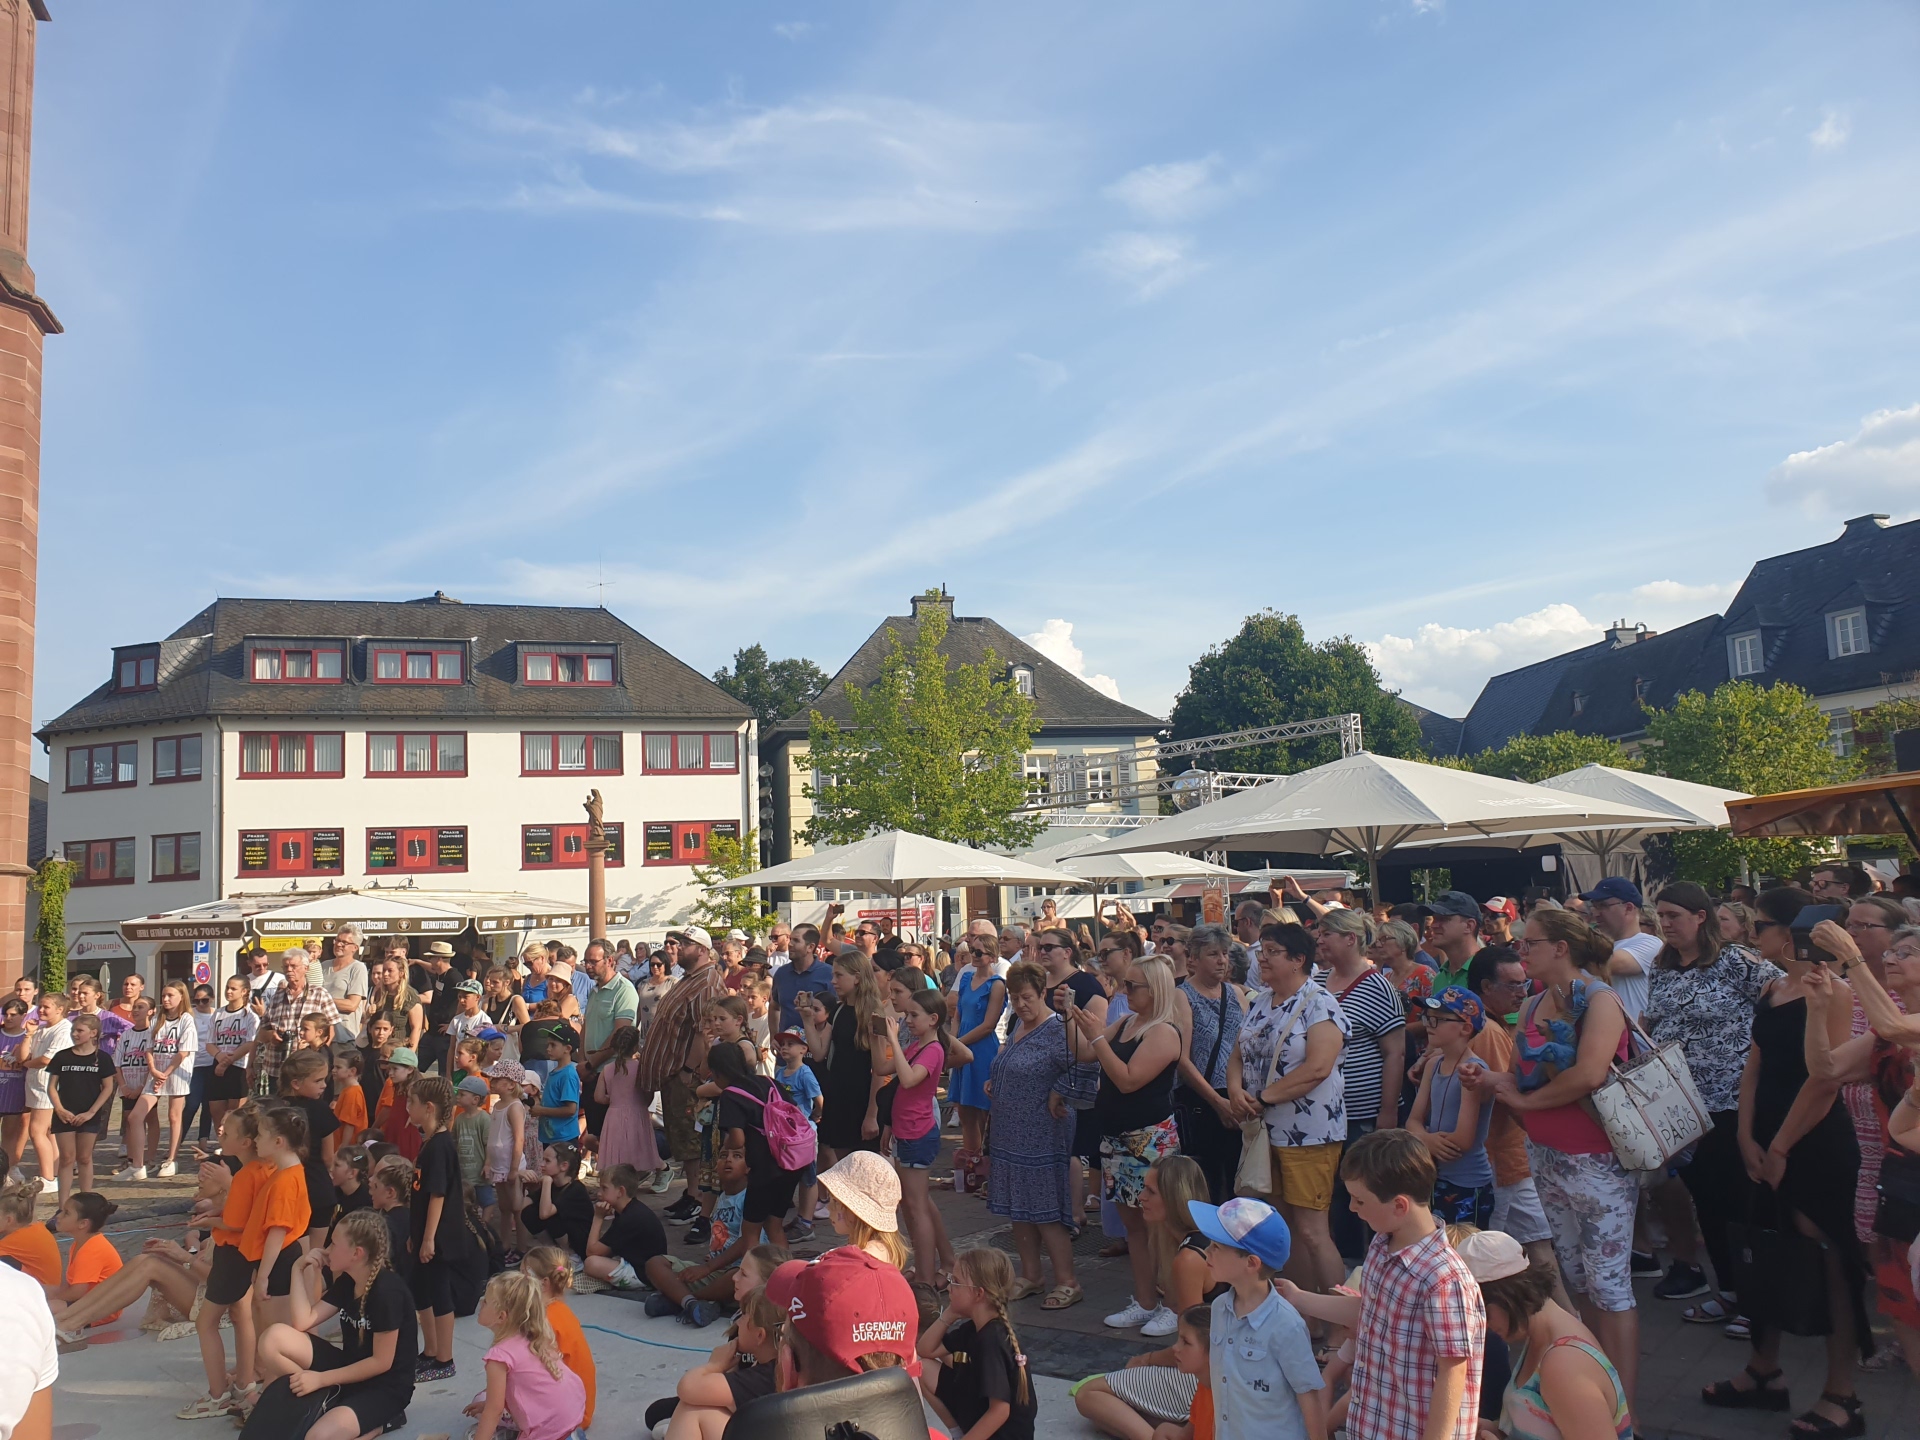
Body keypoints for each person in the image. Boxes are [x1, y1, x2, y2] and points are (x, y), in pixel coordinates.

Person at [1465, 907, 1638, 1413]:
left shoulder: (1600, 999)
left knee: (1610, 1285)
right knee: (1579, 1278)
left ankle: (1623, 1406)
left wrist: (1520, 1102)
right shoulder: (1539, 1002)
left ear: (1560, 948)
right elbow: (1521, 1076)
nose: (1521, 951)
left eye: (1530, 943)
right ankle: (1592, 1383)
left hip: (1596, 1159)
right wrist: (1491, 1080)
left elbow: (1588, 1074)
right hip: (1546, 1153)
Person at [1639, 881, 1779, 1322]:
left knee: (1738, 1200)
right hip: (1680, 1105)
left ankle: (1760, 1300)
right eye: (1660, 916)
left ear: (1701, 916)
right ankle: (1731, 1289)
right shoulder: (1661, 966)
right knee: (1707, 1201)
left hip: (1731, 1099)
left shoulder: (1735, 961)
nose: (1666, 924)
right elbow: (1652, 1019)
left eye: (1674, 915)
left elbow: (1783, 996)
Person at [1287, 1130, 1485, 1440]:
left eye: (1360, 1200)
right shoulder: (1382, 1244)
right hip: (1375, 1422)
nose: (1352, 1208)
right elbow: (1369, 1309)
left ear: (1399, 1206)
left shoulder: (1443, 1278)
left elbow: (1453, 1372)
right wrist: (1298, 1298)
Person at [1803, 917, 1920, 1371]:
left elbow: (1892, 1025)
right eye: (1891, 952)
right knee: (1905, 1308)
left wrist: (1850, 958)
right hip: (1898, 1182)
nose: (1890, 957)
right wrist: (1816, 1010)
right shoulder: (1885, 1029)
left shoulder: (1894, 1026)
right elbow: (1826, 1069)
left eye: (1905, 953)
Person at [1228, 923, 1349, 1299]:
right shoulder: (1262, 1000)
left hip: (1309, 1133)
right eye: (1261, 950)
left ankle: (1338, 1325)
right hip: (1265, 1131)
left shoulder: (1320, 1003)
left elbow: (1318, 1067)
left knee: (1313, 1230)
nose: (1261, 958)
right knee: (1283, 1226)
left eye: (1272, 951)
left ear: (1298, 960)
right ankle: (1304, 1313)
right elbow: (1237, 1053)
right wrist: (1235, 1090)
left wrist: (1263, 1097)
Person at [1069, 953, 1183, 1332]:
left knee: (1160, 1226)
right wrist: (1074, 1019)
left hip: (1148, 1140)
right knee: (1134, 1225)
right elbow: (1086, 1054)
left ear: (1156, 990)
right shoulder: (1129, 1022)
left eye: (1133, 986)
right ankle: (1146, 1300)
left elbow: (1128, 1079)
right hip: (1118, 1138)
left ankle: (1173, 1302)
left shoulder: (1163, 1031)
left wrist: (1098, 1037)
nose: (1124, 990)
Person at [249, 1208, 416, 1440]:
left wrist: (320, 1379)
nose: (326, 1249)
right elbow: (303, 1321)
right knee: (272, 1339)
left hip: (385, 1388)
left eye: (334, 1244)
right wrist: (298, 1269)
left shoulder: (388, 1292)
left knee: (317, 1437)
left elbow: (381, 1363)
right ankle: (321, 1397)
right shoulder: (350, 1280)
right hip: (348, 1369)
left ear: (356, 1253)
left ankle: (384, 1421)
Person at [1457, 1229, 1631, 1440]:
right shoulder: (1542, 1336)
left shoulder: (1564, 1364)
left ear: (1507, 1297)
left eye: (1480, 1311)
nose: (1478, 1325)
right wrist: (1498, 1429)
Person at [1460, 948, 1561, 1292]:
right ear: (1486, 987)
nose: (1523, 992)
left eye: (1526, 983)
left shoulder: (1493, 1023)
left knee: (1537, 1247)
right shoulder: (1487, 1030)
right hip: (1500, 1161)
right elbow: (1507, 1092)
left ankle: (1566, 1322)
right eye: (1513, 985)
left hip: (1511, 1159)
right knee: (1493, 1256)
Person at [1186, 1196, 1325, 1440]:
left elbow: (1308, 1394)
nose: (1206, 1251)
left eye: (1216, 1247)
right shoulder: (1219, 1308)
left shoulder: (1286, 1324)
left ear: (1251, 1263)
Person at [1313, 908, 1406, 1262]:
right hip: (1322, 1111)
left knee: (1363, 1191)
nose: (1319, 941)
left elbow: (1394, 1053)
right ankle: (1348, 1262)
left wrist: (1387, 1111)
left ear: (1350, 939)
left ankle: (1371, 1263)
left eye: (1327, 934)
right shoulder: (1318, 982)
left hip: (1361, 1112)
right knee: (1334, 1193)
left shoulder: (1379, 987)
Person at [987, 961, 1081, 1309]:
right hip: (1010, 1132)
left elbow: (1081, 1066)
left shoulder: (1058, 1028)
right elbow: (1014, 1062)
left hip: (1042, 1132)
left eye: (1027, 997)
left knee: (1046, 1212)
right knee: (1020, 1209)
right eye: (1015, 997)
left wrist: (1059, 1090)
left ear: (1042, 993)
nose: (1021, 1004)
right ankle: (1031, 1274)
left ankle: (1068, 1281)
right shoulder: (1018, 1026)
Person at [638, 925, 728, 1220]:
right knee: (682, 1139)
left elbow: (706, 1031)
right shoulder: (689, 979)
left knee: (691, 1139)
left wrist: (689, 1070)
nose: (678, 947)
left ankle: (699, 1197)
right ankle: (691, 1192)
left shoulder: (707, 983)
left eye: (686, 943)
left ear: (702, 950)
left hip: (687, 1073)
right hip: (675, 1073)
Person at [760, 1245, 921, 1398]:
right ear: (913, 1361)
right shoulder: (929, 1428)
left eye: (781, 1334)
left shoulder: (749, 1426)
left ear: (789, 1370)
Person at [918, 1246, 1037, 1440]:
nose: (949, 1287)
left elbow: (1000, 1411)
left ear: (978, 1294)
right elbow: (925, 1349)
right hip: (979, 1412)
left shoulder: (992, 1340)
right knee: (922, 1368)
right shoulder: (975, 1328)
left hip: (1003, 1435)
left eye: (956, 1282)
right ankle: (958, 1433)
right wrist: (949, 1313)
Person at [643, 1136, 753, 1327]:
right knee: (655, 1263)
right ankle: (692, 1303)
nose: (728, 1160)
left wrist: (708, 1268)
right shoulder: (720, 1197)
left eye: (737, 1156)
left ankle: (679, 1299)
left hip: (738, 1272)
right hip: (713, 1271)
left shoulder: (750, 1198)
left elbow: (746, 1242)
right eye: (723, 1156)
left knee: (735, 1276)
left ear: (749, 1167)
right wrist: (709, 1264)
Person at [463, 1270, 586, 1440]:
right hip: (572, 1424)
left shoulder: (499, 1357)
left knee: (479, 1424)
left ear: (501, 1316)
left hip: (547, 1434)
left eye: (486, 1302)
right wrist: (487, 1405)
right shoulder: (534, 1336)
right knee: (485, 1400)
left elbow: (494, 1411)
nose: (480, 1303)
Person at [1407, 988, 1495, 1227]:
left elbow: (1462, 1141)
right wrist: (1427, 1139)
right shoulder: (1433, 1063)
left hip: (1468, 1182)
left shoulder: (1472, 1071)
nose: (1429, 1024)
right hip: (1435, 1178)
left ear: (1465, 1028)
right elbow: (1413, 1121)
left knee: (1464, 1256)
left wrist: (1423, 1138)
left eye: (1438, 1019)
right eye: (1427, 1017)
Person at [1172, 926, 1244, 1207]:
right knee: (1209, 1185)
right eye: (1213, 954)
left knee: (1239, 1184)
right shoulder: (1183, 995)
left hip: (1237, 1097)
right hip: (1202, 1100)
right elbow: (1181, 1058)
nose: (1221, 960)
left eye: (1225, 953)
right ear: (1194, 959)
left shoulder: (1236, 993)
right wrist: (1217, 1102)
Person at [709, 1040, 799, 1250]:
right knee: (774, 1225)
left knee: (751, 1232)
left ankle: (754, 1279)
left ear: (717, 1072)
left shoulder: (730, 1095)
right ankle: (787, 1276)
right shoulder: (768, 1081)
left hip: (765, 1170)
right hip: (791, 1163)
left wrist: (725, 1147)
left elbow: (738, 1140)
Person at [799, 948, 886, 1165]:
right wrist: (807, 1020)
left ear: (857, 978)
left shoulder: (873, 1014)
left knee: (863, 1167)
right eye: (833, 975)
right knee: (843, 1166)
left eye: (839, 975)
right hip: (838, 1095)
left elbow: (879, 1069)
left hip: (862, 1097)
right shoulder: (839, 1010)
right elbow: (819, 1053)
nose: (834, 981)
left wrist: (872, 1114)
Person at [407, 1075, 466, 1381]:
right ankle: (429, 1351)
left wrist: (428, 1238)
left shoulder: (440, 1146)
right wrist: (414, 1236)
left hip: (439, 1236)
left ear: (428, 1108)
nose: (407, 1107)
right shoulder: (428, 1142)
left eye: (411, 1102)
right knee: (422, 1292)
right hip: (423, 1235)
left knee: (440, 1293)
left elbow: (437, 1194)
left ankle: (445, 1359)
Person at [124, 979, 197, 1179]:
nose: (165, 999)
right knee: (135, 1116)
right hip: (156, 1073)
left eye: (170, 995)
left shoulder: (186, 1020)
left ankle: (171, 1159)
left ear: (181, 997)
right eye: (163, 995)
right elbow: (148, 1048)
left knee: (174, 1116)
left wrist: (167, 1072)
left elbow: (183, 1052)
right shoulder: (158, 1019)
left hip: (177, 1073)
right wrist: (154, 1069)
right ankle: (138, 1166)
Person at [520, 1247, 597, 1431]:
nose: (517, 1282)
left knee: (488, 1402)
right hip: (581, 1407)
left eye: (523, 1276)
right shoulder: (560, 1311)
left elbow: (527, 1374)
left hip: (567, 1415)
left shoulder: (542, 1321)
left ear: (544, 1283)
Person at [951, 937, 1008, 1166]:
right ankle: (970, 1161)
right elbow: (956, 1015)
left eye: (979, 952)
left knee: (984, 1109)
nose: (974, 956)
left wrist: (958, 1043)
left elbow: (988, 1025)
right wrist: (953, 1042)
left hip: (983, 1047)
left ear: (992, 957)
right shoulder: (966, 978)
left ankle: (988, 1163)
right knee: (964, 1109)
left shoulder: (996, 984)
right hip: (962, 1044)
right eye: (972, 951)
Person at [45, 1013, 114, 1198]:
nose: (75, 1034)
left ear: (93, 1033)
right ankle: (63, 1204)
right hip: (64, 1112)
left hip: (88, 1113)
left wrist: (91, 1112)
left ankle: (86, 1201)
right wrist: (59, 1109)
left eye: (79, 1031)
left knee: (84, 1158)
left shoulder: (103, 1058)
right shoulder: (62, 1057)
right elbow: (51, 1086)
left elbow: (108, 1087)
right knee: (66, 1158)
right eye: (73, 1031)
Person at [258, 951, 340, 1098]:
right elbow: (262, 1033)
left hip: (306, 1073)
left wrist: (316, 1061)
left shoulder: (320, 994)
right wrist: (271, 1036)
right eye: (285, 967)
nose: (289, 970)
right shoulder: (277, 996)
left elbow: (330, 1034)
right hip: (278, 1070)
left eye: (293, 966)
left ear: (306, 968)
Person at [1581, 878, 1661, 1024]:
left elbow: (1610, 964)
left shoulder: (1650, 943)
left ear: (1629, 908)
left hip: (1636, 1044)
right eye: (1594, 906)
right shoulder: (1592, 949)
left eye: (1603, 906)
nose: (1595, 913)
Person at [45, 1191, 125, 1335]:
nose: (58, 1216)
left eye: (66, 1213)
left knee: (46, 1307)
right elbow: (72, 1284)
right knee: (39, 1290)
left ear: (83, 1224)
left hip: (99, 1309)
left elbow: (77, 1292)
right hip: (86, 1302)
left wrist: (55, 1298)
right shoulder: (80, 1243)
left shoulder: (91, 1249)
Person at [817, 1149, 910, 1268]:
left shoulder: (859, 1262)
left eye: (836, 1201)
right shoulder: (884, 1251)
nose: (829, 1207)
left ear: (855, 1211)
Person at [595, 1022, 664, 1177]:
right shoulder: (642, 1068)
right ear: (635, 1047)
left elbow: (598, 1097)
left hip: (614, 1116)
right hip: (638, 1114)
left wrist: (613, 1100)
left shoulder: (607, 1069)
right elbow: (649, 1095)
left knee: (617, 1153)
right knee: (635, 1152)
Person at [773, 1029, 824, 1232]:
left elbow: (818, 1099)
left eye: (791, 1044)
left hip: (804, 1135)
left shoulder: (805, 1073)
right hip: (786, 1134)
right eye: (783, 1044)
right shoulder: (780, 1073)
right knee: (792, 1175)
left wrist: (816, 1116)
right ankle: (799, 1216)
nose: (785, 1047)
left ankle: (806, 1221)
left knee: (808, 1178)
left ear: (803, 1049)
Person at [518, 1142, 593, 1262]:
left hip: (579, 1243)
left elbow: (545, 1214)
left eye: (547, 1161)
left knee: (550, 1216)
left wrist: (546, 1182)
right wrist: (524, 1185)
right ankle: (552, 1251)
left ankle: (570, 1255)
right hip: (562, 1236)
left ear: (564, 1166)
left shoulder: (575, 1189)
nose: (541, 1164)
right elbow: (521, 1207)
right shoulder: (552, 1184)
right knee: (529, 1213)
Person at [207, 975, 260, 1138]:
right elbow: (209, 1043)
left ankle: (235, 1145)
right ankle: (221, 1143)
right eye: (227, 988)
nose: (228, 991)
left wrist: (228, 1060)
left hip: (239, 1067)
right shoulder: (218, 1013)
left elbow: (250, 1043)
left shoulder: (250, 1014)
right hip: (217, 1065)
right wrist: (220, 1056)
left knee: (235, 1112)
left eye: (233, 988)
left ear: (244, 991)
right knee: (216, 1110)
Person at [0, 1181, 58, 1285]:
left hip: (42, 1293)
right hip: (48, 1287)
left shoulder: (14, 1241)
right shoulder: (36, 1227)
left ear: (9, 1220)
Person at [1425, 892, 1486, 991]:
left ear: (1469, 926)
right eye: (1435, 919)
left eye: (1443, 919)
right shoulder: (1439, 978)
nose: (1433, 926)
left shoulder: (1490, 971)